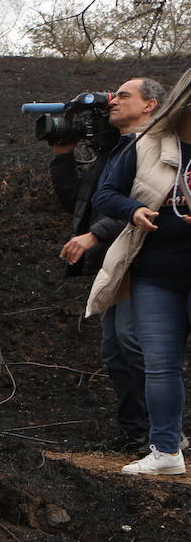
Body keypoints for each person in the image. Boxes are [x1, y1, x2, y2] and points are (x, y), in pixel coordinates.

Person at [88, 68, 191, 474]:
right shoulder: (147, 143)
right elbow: (105, 194)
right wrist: (135, 210)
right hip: (155, 275)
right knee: (161, 365)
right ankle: (166, 452)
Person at [53, 78, 164, 453]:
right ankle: (138, 435)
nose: (113, 102)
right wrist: (62, 155)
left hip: (146, 259)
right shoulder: (117, 150)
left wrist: (94, 236)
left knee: (135, 345)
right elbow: (81, 203)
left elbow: (147, 202)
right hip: (116, 262)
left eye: (124, 96)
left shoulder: (154, 147)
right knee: (116, 350)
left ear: (149, 105)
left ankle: (164, 434)